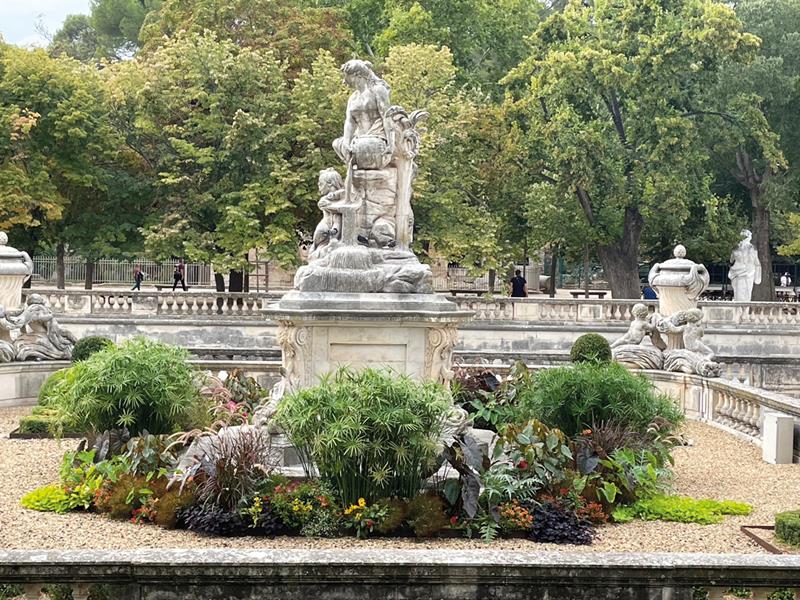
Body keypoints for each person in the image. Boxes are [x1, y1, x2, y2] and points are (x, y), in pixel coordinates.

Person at [729, 229, 761, 302]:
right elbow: (757, 262)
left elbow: (731, 260)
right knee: (746, 292)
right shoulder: (752, 248)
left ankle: (740, 310)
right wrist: (757, 275)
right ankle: (744, 311)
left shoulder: (736, 248)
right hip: (747, 272)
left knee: (738, 293)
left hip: (738, 272)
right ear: (749, 237)